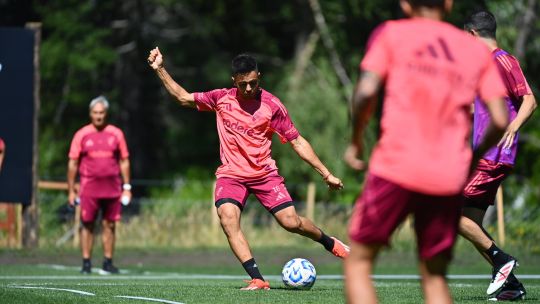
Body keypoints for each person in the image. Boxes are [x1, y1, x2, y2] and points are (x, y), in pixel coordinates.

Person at [343, 1, 509, 303]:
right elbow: (499, 118)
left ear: (405, 3)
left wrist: (356, 141)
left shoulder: (391, 34)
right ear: (448, 4)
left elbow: (365, 92)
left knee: (359, 262)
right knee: (434, 278)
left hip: (395, 167)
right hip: (446, 176)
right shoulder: (474, 50)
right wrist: (473, 157)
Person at [147, 49, 349, 290]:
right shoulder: (220, 98)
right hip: (231, 175)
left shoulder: (272, 106)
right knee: (228, 219)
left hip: (264, 175)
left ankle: (329, 242)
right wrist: (160, 69)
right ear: (234, 81)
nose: (249, 89)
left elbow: (297, 141)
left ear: (259, 77)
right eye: (243, 84)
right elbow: (183, 98)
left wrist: (326, 174)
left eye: (253, 83)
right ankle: (258, 279)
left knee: (291, 222)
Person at [460, 10, 537, 301]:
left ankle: (502, 260)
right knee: (470, 222)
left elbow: (529, 100)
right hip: (484, 155)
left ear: (472, 35)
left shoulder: (503, 60)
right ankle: (512, 284)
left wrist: (514, 127)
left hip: (494, 155)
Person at [67, 96, 131, 275]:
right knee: (87, 224)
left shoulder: (116, 134)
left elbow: (124, 161)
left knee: (109, 225)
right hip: (89, 188)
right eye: (95, 113)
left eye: (101, 113)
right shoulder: (81, 134)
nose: (98, 116)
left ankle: (108, 261)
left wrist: (127, 187)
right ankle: (86, 262)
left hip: (112, 188)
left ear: (106, 113)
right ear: (90, 114)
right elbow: (72, 163)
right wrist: (71, 190)